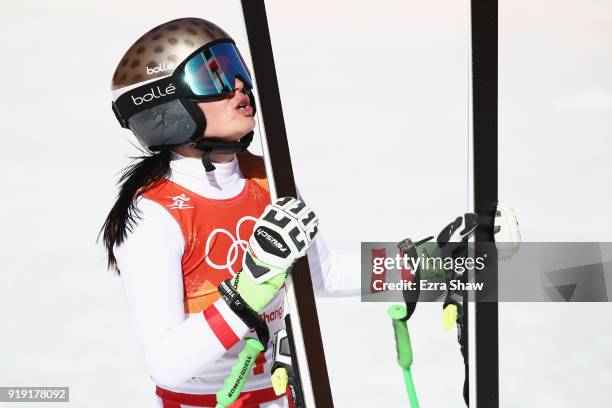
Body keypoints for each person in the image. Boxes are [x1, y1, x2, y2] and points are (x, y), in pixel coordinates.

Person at [102, 17, 351, 408]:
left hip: (283, 395)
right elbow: (167, 363)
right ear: (168, 104)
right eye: (212, 77)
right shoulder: (153, 213)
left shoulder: (268, 177)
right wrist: (251, 288)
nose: (238, 85)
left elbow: (325, 274)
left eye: (236, 68)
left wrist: (448, 268)